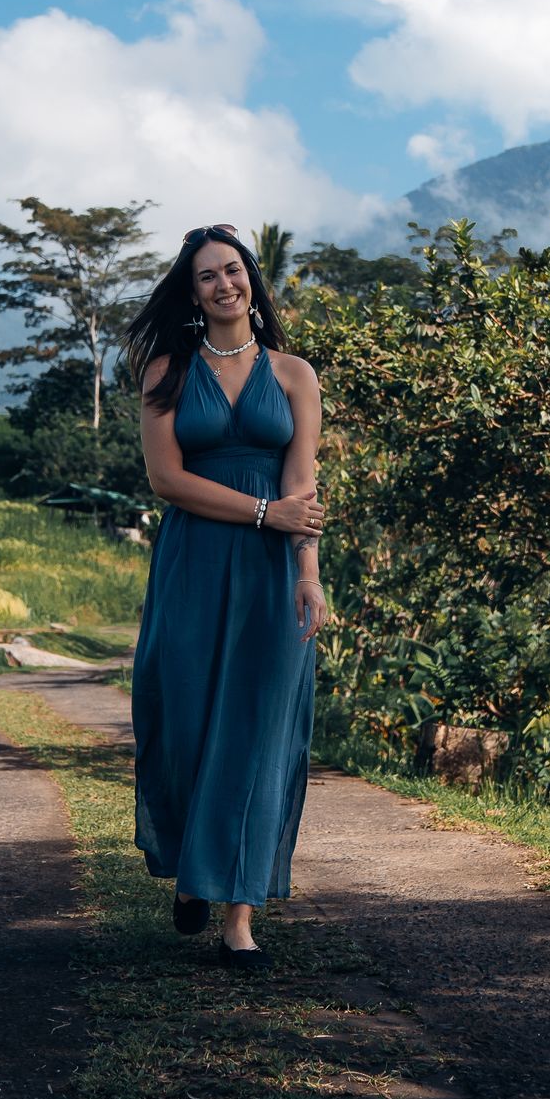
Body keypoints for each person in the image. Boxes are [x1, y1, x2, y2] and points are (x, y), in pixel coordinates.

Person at [124, 225, 326, 969]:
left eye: (233, 271)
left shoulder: (295, 374)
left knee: (258, 731)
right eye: (207, 276)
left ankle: (238, 916)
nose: (223, 285)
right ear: (192, 291)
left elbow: (300, 485)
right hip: (193, 565)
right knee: (182, 722)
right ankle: (189, 863)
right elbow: (166, 481)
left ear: (252, 281)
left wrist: (308, 571)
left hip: (275, 572)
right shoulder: (166, 374)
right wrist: (264, 513)